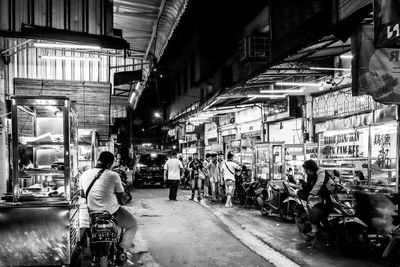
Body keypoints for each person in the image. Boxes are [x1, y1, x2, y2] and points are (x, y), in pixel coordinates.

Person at [80, 151, 137, 264]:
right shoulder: (113, 175)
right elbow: (121, 198)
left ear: (98, 159)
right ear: (110, 163)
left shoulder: (84, 174)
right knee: (133, 224)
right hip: (112, 213)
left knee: (85, 232)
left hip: (91, 214)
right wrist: (121, 201)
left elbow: (82, 195)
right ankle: (122, 248)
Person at [301, 159, 335, 239]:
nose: (305, 171)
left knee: (322, 212)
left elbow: (319, 184)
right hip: (321, 195)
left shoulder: (321, 172)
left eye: (305, 169)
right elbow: (310, 187)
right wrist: (303, 185)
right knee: (311, 206)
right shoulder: (310, 176)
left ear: (309, 169)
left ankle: (320, 231)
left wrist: (312, 194)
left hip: (329, 195)